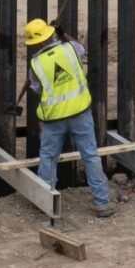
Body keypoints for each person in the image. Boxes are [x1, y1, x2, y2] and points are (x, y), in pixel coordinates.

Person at [20, 18, 113, 219]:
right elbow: (80, 48)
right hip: (80, 112)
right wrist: (62, 33)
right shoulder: (70, 49)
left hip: (54, 119)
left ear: (35, 43)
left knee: (48, 157)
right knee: (90, 155)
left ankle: (45, 201)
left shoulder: (35, 64)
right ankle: (102, 203)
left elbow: (37, 88)